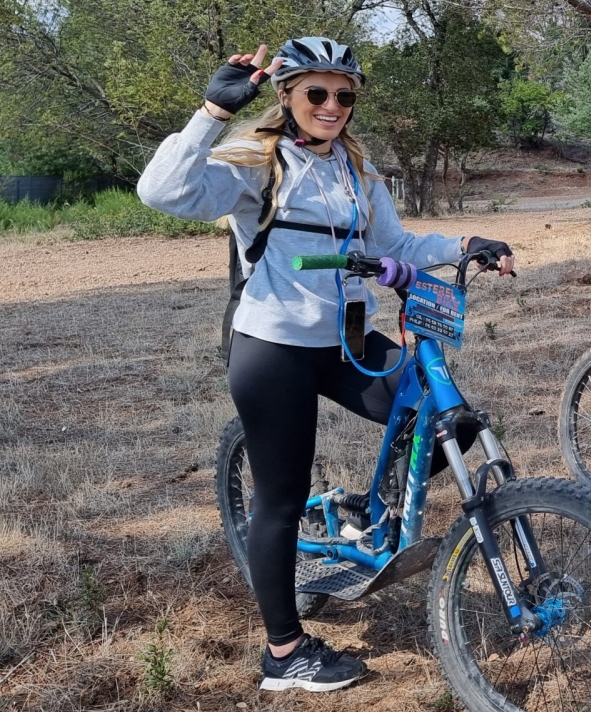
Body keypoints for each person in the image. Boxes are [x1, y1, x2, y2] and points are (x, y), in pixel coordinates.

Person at [137, 38, 515, 692]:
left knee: (445, 417)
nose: (332, 105)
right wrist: (209, 112)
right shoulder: (259, 163)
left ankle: (370, 517)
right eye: (317, 92)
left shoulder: (358, 173)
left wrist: (466, 242)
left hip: (347, 341)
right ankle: (285, 653)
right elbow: (162, 190)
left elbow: (395, 243)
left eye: (344, 94)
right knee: (279, 501)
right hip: (275, 347)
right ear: (287, 96)